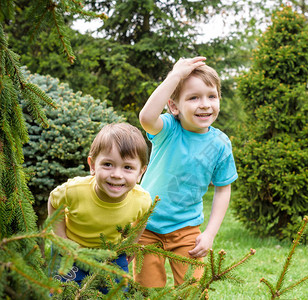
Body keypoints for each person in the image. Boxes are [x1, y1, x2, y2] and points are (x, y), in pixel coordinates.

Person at [135, 56, 238, 287]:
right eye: (193, 98)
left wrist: (210, 233)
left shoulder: (220, 144)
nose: (205, 104)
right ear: (174, 106)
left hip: (187, 230)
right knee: (148, 290)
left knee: (192, 290)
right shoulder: (168, 129)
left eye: (212, 96)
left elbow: (223, 190)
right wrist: (175, 77)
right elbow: (146, 117)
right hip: (146, 226)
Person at [47, 123, 151, 288]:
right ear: (93, 165)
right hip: (72, 250)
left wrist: (132, 243)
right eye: (108, 164)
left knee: (116, 292)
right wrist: (62, 239)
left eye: (128, 167)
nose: (116, 175)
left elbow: (143, 219)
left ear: (140, 172)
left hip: (112, 254)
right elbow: (53, 202)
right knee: (62, 292)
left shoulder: (142, 200)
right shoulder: (74, 190)